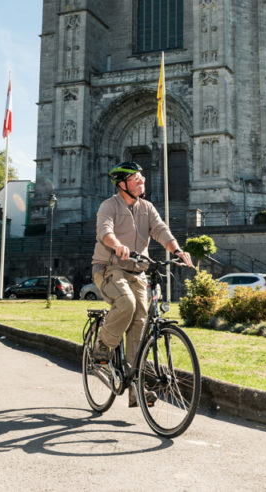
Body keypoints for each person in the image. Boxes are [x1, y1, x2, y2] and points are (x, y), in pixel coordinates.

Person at [91, 161, 192, 407]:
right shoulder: (109, 206)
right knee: (126, 303)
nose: (142, 181)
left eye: (142, 178)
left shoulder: (147, 207)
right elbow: (104, 230)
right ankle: (102, 345)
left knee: (140, 322)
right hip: (109, 268)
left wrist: (177, 250)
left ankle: (136, 388)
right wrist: (117, 245)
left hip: (137, 271)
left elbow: (160, 230)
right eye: (136, 178)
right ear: (122, 184)